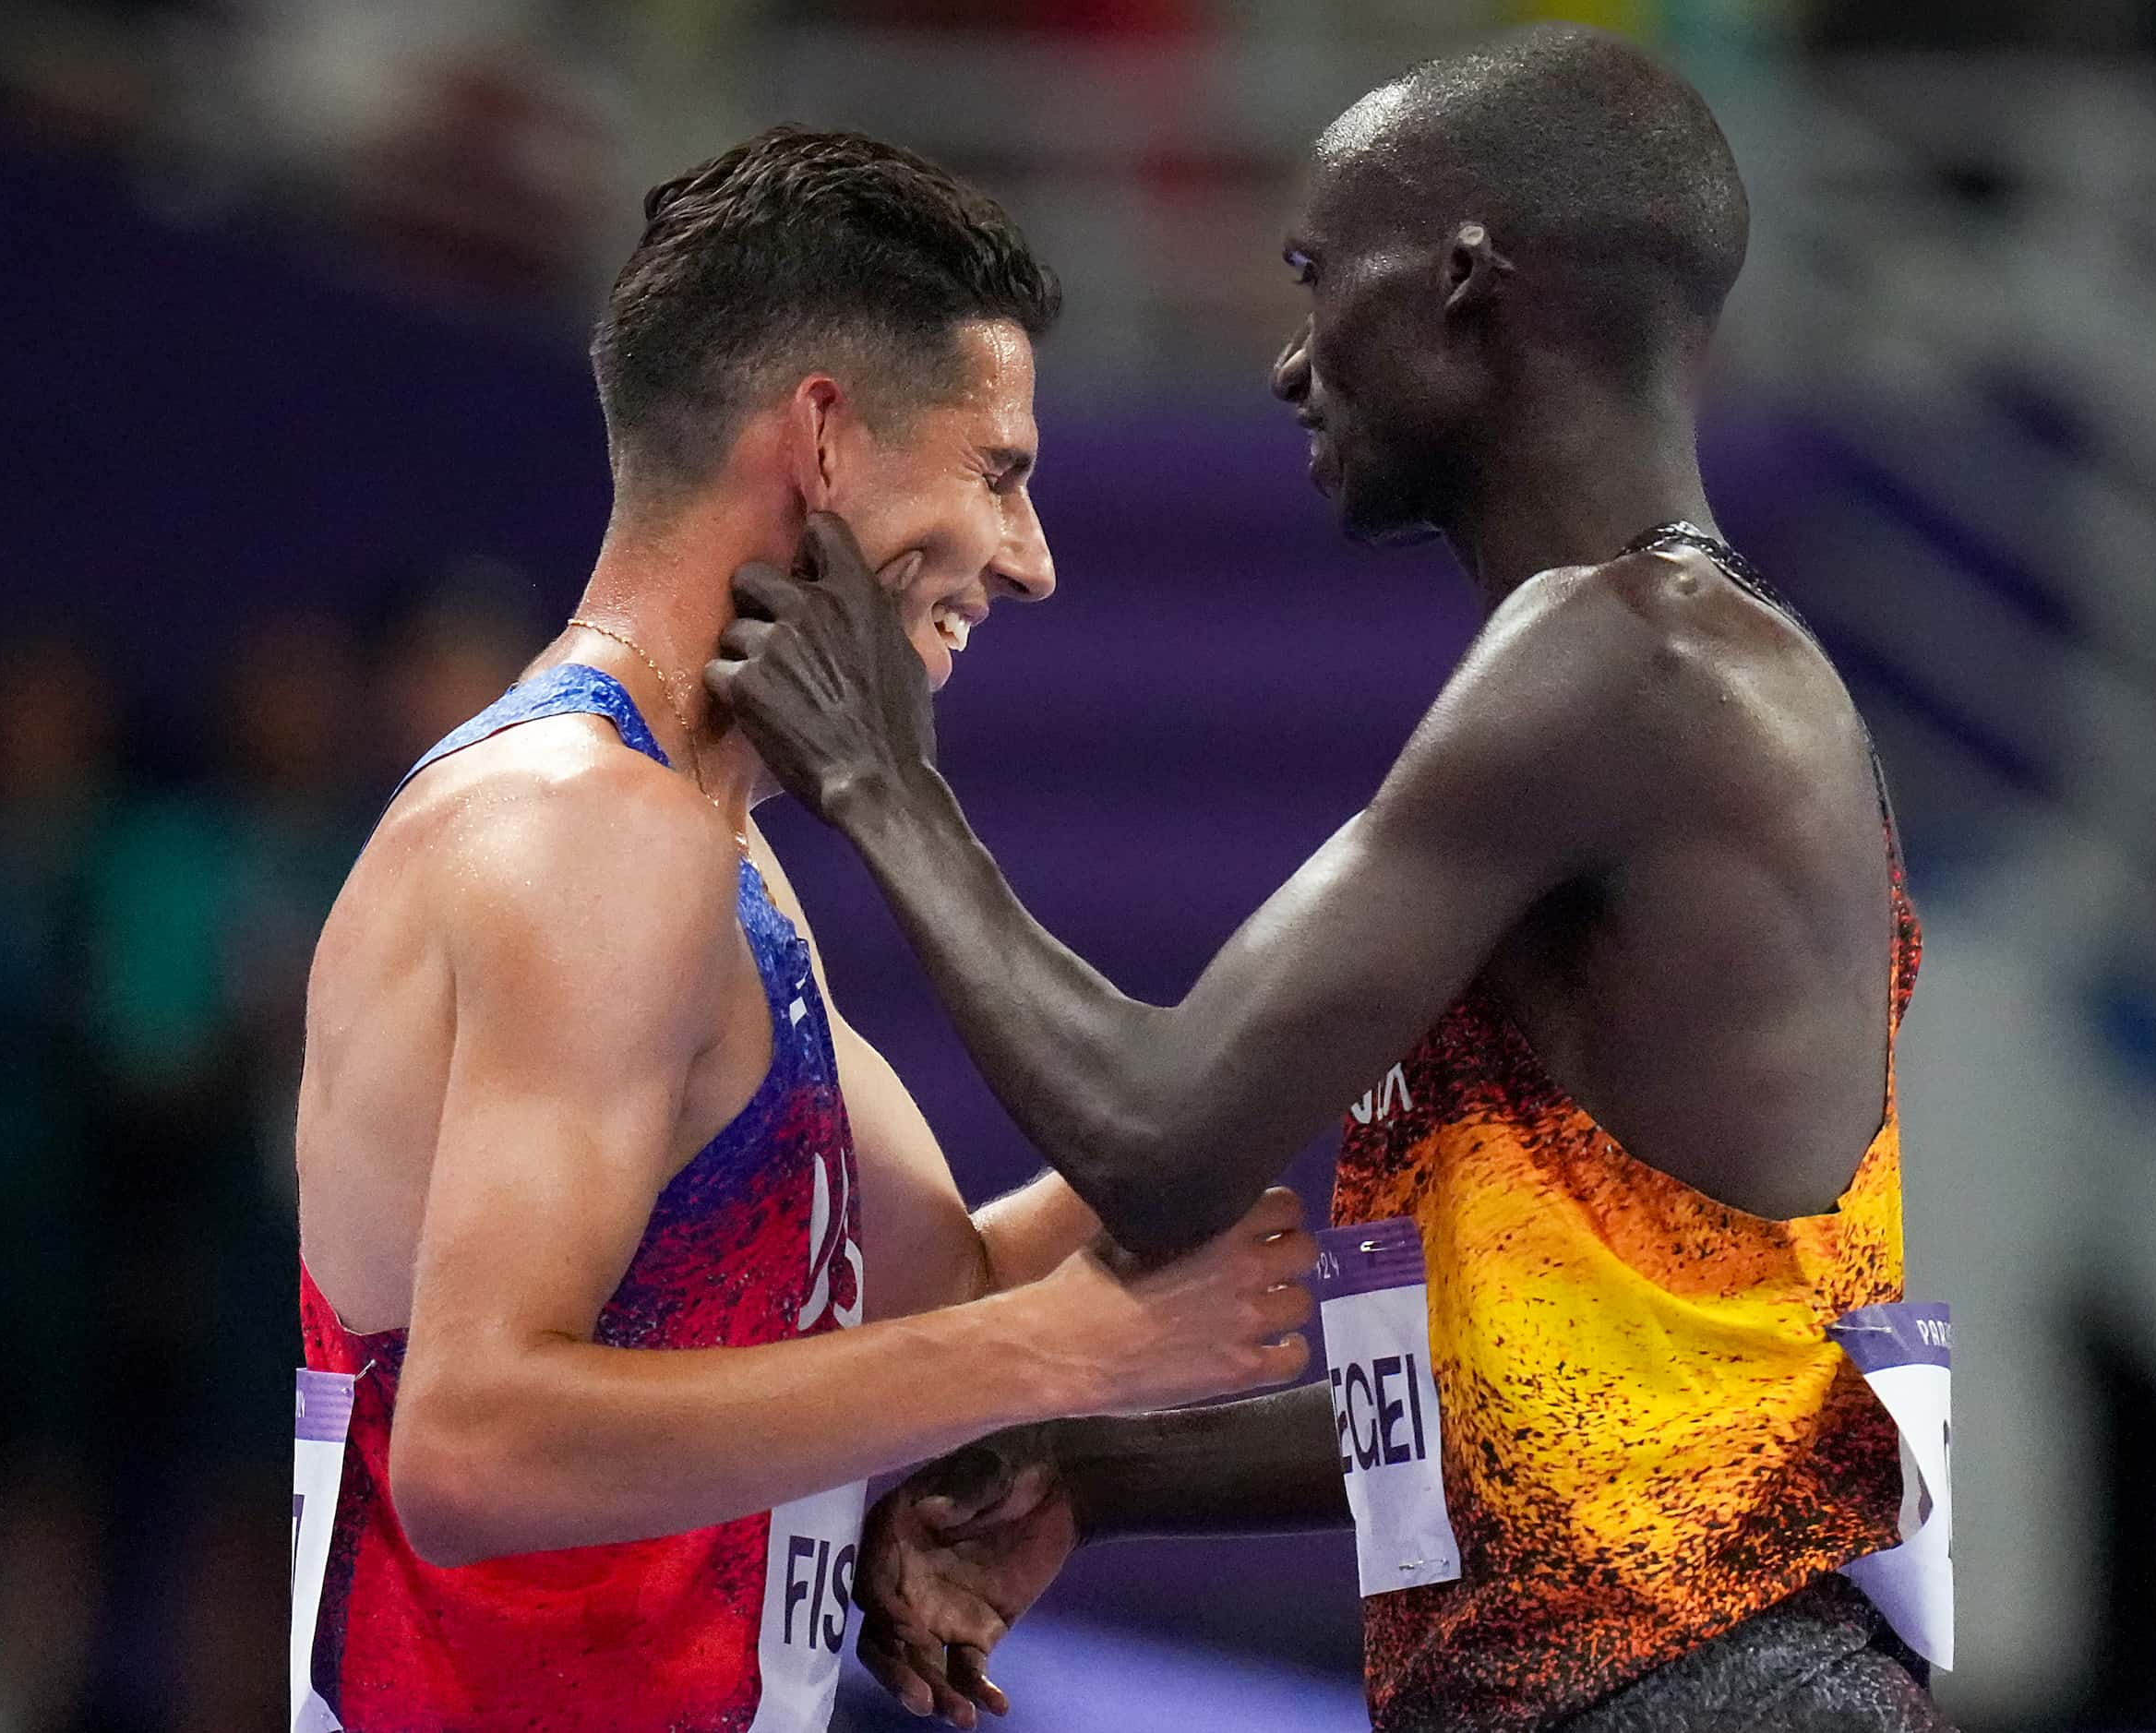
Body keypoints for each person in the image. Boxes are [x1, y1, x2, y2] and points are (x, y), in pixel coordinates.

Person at [710, 28, 1946, 1733]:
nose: (1291, 359)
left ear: (1461, 285)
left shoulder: (1619, 664)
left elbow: (1162, 1144)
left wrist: (880, 780)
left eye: (1314, 276)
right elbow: (1580, 1414)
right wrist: (1096, 1473)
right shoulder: (1655, 662)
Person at [291, 126, 1316, 1733]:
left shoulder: (704, 844)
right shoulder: (587, 830)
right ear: (825, 442)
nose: (1031, 561)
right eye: (998, 471)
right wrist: (1055, 1359)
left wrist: (1343, 1017)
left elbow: (943, 1286)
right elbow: (475, 1444)